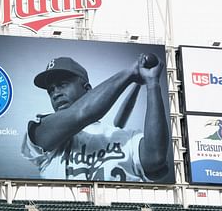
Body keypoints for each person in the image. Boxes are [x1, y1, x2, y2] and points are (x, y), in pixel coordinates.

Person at [21, 54, 170, 182]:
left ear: (87, 88)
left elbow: (155, 157)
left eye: (62, 85)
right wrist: (130, 72)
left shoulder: (123, 137)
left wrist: (152, 84)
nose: (55, 93)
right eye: (51, 90)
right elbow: (82, 113)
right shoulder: (42, 131)